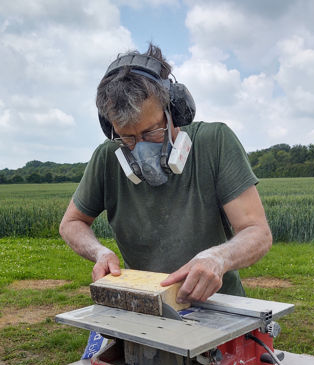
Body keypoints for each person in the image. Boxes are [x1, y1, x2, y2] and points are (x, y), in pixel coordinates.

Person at [59, 43, 272, 306]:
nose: (140, 147)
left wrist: (219, 258)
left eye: (151, 132)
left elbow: (257, 232)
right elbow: (71, 223)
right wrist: (100, 252)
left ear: (174, 111)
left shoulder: (215, 142)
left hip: (219, 307)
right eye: (127, 137)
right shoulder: (107, 157)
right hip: (146, 305)